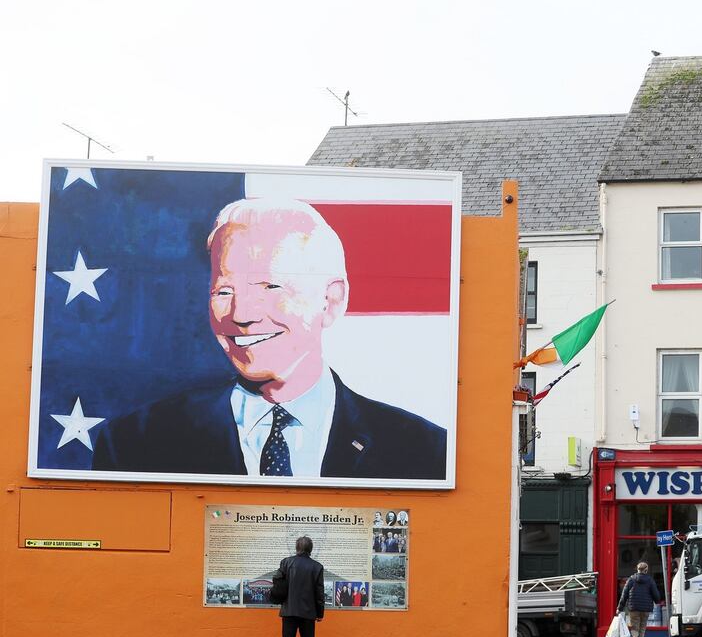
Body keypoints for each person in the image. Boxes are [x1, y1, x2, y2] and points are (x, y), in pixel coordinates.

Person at [92, 198, 446, 480]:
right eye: (224, 290)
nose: (242, 314)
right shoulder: (135, 443)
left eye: (270, 286)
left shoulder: (424, 450)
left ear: (331, 300)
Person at [273, 536, 325, 637]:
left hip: (289, 610)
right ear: (311, 548)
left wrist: (278, 599)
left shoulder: (286, 562)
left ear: (297, 548)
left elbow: (277, 581)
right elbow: (319, 593)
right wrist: (320, 613)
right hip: (308, 612)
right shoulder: (317, 567)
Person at [616, 561, 662, 637]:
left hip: (633, 607)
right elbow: (656, 596)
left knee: (634, 626)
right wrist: (657, 601)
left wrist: (619, 608)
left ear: (637, 569)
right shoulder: (650, 580)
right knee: (642, 628)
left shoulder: (631, 580)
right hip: (645, 608)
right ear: (646, 570)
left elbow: (624, 595)